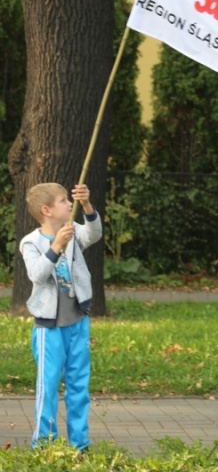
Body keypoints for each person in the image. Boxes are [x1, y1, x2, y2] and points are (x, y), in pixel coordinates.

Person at [19, 182, 102, 451]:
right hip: (50, 328)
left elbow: (95, 233)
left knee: (79, 384)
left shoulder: (74, 231)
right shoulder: (30, 242)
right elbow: (37, 274)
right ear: (47, 210)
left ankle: (80, 444)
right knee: (49, 385)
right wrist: (56, 246)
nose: (70, 204)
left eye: (70, 199)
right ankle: (44, 445)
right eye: (64, 200)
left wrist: (87, 205)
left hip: (78, 321)